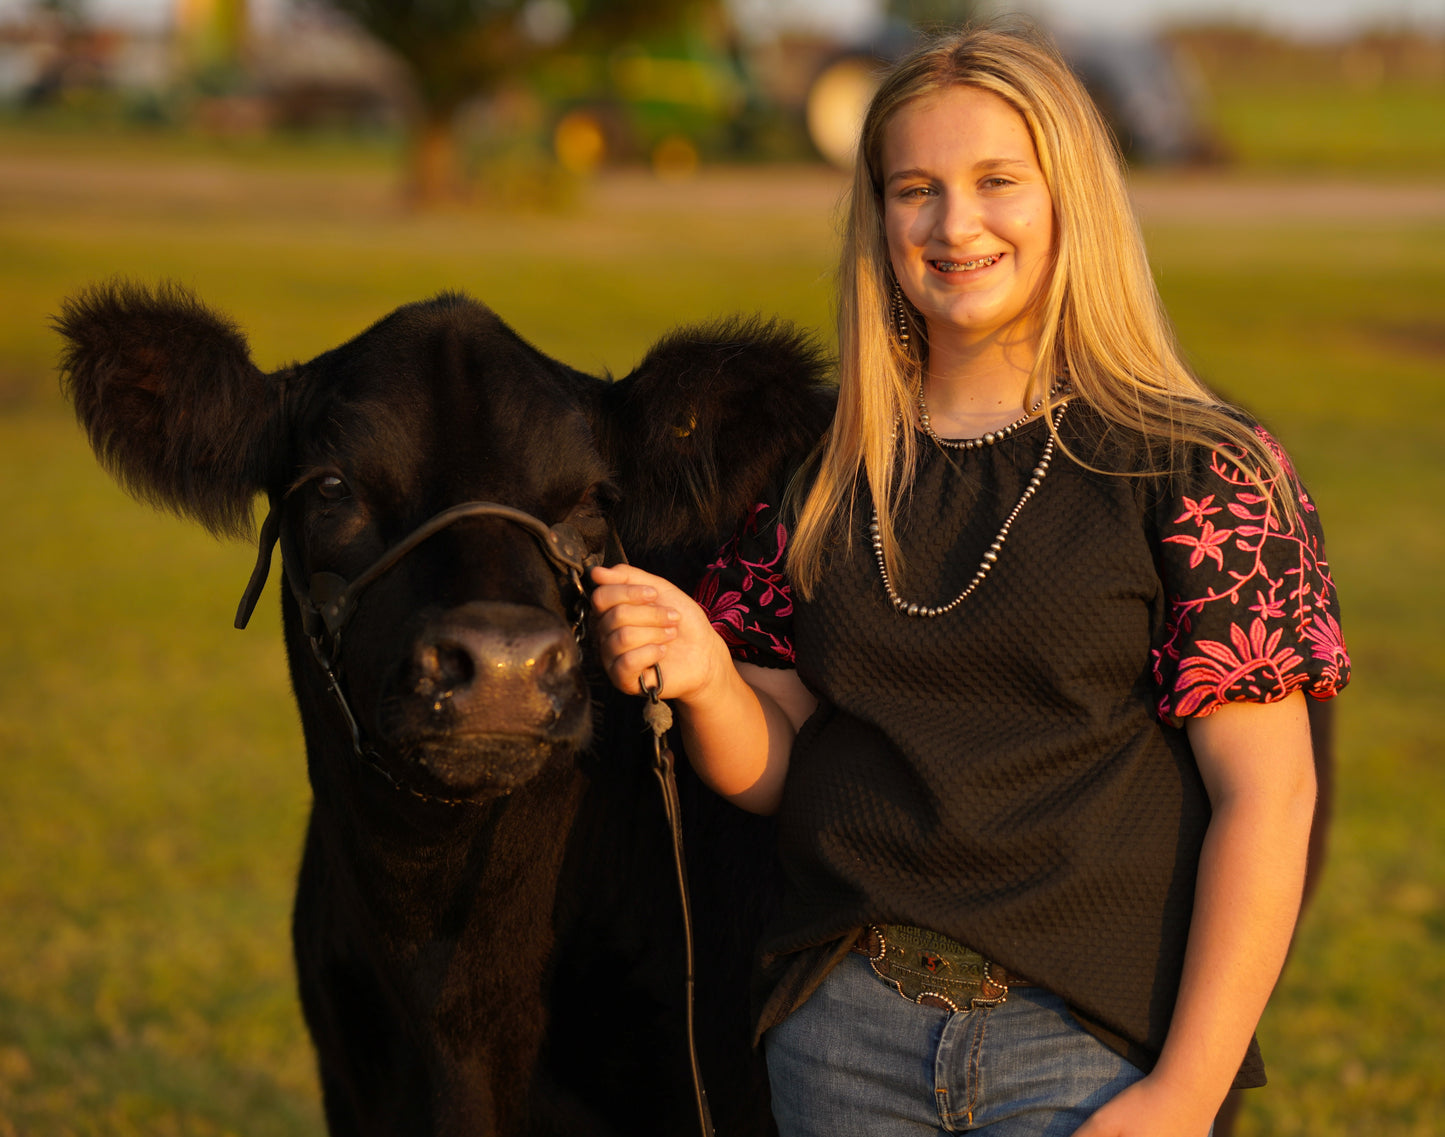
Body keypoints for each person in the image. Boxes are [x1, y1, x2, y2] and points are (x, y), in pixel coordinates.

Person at [591, 21, 1348, 1137]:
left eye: (997, 181)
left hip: (1087, 1047)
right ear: (877, 216)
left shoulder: (1196, 472)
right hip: (847, 1042)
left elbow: (1266, 798)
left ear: (1069, 201)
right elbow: (779, 768)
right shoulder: (824, 480)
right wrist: (709, 679)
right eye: (914, 189)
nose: (954, 225)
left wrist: (1182, 1097)